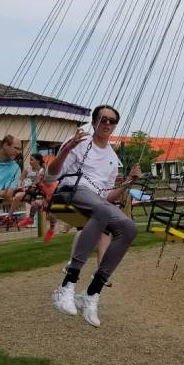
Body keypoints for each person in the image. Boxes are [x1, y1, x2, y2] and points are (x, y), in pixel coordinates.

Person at [48, 105, 141, 327]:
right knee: (100, 209)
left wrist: (128, 184)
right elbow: (52, 175)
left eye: (112, 120)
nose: (107, 123)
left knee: (129, 228)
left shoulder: (112, 158)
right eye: (102, 119)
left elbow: (108, 196)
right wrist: (66, 149)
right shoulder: (79, 144)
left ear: (115, 124)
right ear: (95, 121)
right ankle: (67, 285)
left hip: (97, 201)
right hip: (71, 191)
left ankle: (91, 293)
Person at [11, 152, 49, 229]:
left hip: (37, 191)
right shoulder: (28, 169)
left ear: (38, 161)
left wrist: (26, 188)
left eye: (32, 160)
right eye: (30, 160)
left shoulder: (42, 171)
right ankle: (10, 216)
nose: (30, 161)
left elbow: (36, 183)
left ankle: (31, 218)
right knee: (16, 196)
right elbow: (21, 179)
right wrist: (19, 186)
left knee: (38, 204)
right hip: (28, 191)